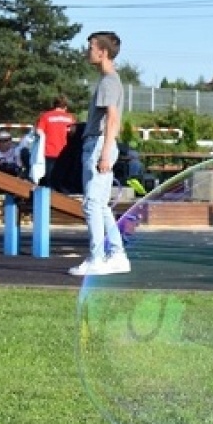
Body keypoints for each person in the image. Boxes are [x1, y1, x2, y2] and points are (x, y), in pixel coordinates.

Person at [70, 31, 129, 277]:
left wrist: (105, 153)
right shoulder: (111, 80)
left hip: (98, 144)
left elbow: (112, 118)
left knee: (92, 204)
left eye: (91, 47)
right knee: (101, 206)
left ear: (102, 52)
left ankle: (97, 258)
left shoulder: (108, 82)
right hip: (100, 144)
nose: (88, 51)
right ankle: (117, 255)